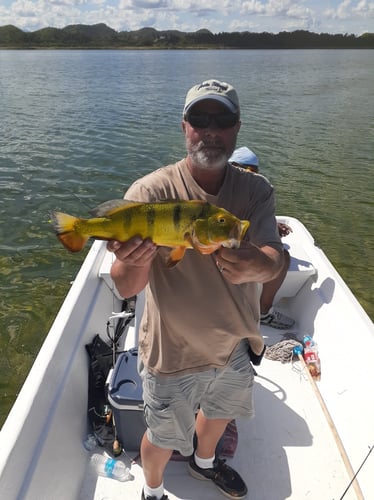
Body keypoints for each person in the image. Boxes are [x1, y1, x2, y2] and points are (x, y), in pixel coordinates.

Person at [108, 80, 284, 500]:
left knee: (220, 416)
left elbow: (276, 259)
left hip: (234, 345)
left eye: (221, 120)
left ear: (236, 127)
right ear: (184, 127)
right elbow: (125, 283)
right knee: (164, 436)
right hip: (173, 351)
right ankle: (152, 490)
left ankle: (206, 465)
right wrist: (133, 262)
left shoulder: (255, 191)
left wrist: (258, 265)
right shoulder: (151, 193)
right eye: (200, 119)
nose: (210, 130)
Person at [229, 146, 295, 330]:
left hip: (237, 246)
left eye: (253, 171)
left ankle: (263, 312)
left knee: (283, 256)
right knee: (283, 258)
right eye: (245, 170)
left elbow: (255, 215)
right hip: (224, 249)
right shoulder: (228, 189)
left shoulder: (254, 190)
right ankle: (262, 311)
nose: (250, 175)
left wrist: (272, 225)